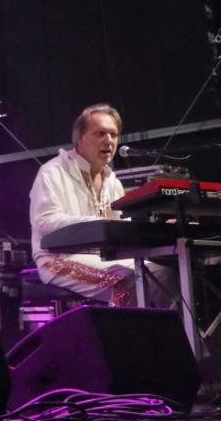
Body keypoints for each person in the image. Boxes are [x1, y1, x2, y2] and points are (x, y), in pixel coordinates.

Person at [29, 104, 171, 306]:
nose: (109, 140)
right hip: (57, 260)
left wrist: (155, 227)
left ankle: (174, 326)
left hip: (105, 256)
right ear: (79, 138)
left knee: (164, 273)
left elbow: (122, 224)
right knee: (125, 282)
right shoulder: (52, 172)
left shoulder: (112, 180)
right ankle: (128, 327)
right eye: (100, 133)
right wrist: (97, 224)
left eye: (113, 135)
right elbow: (44, 221)